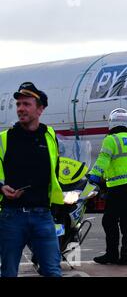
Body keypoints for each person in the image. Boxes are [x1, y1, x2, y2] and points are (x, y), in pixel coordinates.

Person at [0, 82, 64, 277]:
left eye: (26, 104)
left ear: (40, 109)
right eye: (18, 104)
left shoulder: (50, 136)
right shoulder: (5, 138)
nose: (20, 109)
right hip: (12, 216)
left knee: (53, 271)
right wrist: (1, 187)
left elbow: (55, 168)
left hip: (43, 215)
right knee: (9, 272)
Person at [88, 108, 127, 266]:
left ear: (112, 123)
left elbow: (103, 159)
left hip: (117, 187)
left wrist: (94, 176)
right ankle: (126, 257)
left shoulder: (111, 140)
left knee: (109, 220)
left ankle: (111, 254)